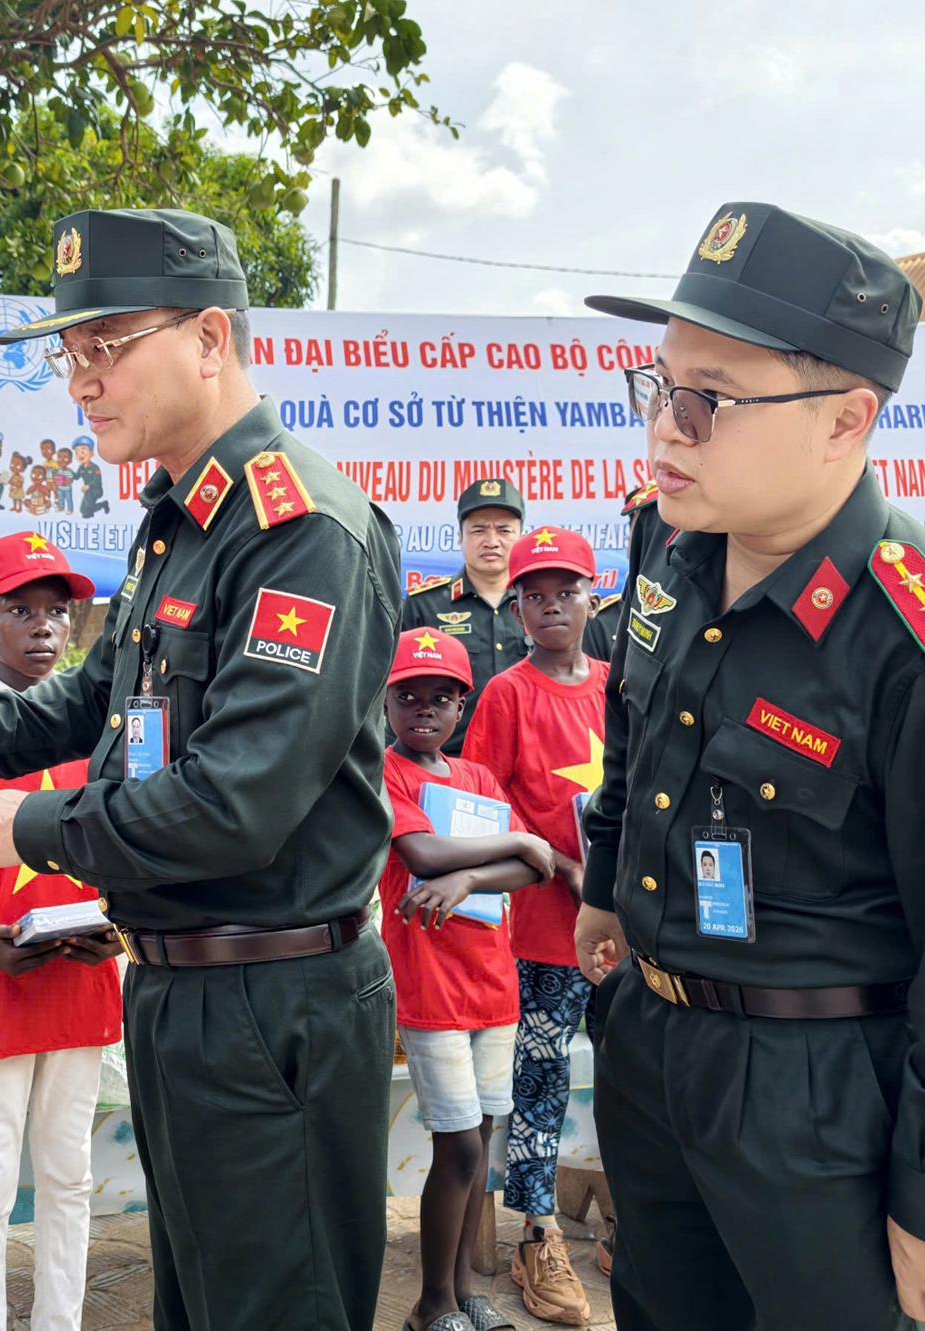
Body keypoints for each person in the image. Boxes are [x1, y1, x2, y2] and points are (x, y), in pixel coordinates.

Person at [0, 206, 402, 1330]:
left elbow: (235, 801)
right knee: (198, 1303)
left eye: (105, 345)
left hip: (271, 991)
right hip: (178, 983)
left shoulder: (300, 531)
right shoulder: (177, 519)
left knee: (274, 1307)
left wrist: (32, 826)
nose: (79, 380)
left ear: (208, 336)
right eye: (68, 352)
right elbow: (97, 698)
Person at [575, 201, 925, 1331]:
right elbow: (635, 723)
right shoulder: (672, 543)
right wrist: (607, 881)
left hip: (817, 1087)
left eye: (709, 400)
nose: (664, 432)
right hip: (650, 1038)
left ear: (845, 419)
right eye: (657, 387)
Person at [0, 532, 123, 1331]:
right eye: (21, 611)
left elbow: (136, 845)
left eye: (57, 611)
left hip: (81, 984)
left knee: (70, 1178)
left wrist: (121, 925)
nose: (44, 627)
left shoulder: (107, 731)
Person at [380, 628, 554, 1331]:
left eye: (441, 698)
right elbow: (420, 852)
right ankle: (431, 1303)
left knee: (479, 1140)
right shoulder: (385, 772)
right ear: (386, 701)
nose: (424, 709)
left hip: (491, 982)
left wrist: (480, 870)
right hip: (431, 987)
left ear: (462, 706)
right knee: (455, 1143)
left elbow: (532, 869)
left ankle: (462, 1293)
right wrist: (515, 840)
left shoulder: (476, 777)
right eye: (408, 696)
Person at [462, 525, 608, 1327]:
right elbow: (484, 808)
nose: (551, 606)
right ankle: (538, 1235)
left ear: (594, 595)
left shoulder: (617, 687)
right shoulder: (507, 694)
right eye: (534, 595)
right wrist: (562, 863)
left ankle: (626, 1220)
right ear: (516, 608)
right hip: (544, 938)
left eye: (566, 591)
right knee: (540, 1088)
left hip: (624, 936)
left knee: (636, 1083)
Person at [400, 480, 526, 755]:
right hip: (449, 763)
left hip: (530, 761)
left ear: (521, 537)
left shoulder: (538, 603)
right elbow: (395, 690)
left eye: (504, 531)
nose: (491, 541)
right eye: (478, 530)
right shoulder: (424, 605)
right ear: (460, 538)